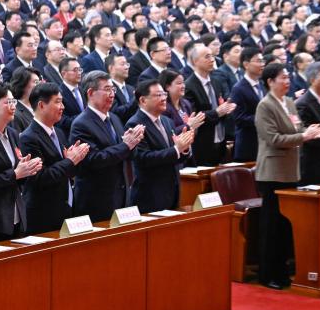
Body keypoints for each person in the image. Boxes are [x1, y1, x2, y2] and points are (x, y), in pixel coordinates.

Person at [254, 62, 320, 289]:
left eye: (288, 77)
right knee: (272, 226)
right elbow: (273, 139)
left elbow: (298, 129)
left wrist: (308, 133)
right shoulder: (265, 106)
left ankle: (283, 272)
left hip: (290, 170)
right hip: (273, 172)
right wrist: (305, 136)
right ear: (270, 82)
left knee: (285, 225)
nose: (287, 81)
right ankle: (268, 275)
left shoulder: (289, 103)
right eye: (282, 78)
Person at [0, 82, 42, 241]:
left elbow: (18, 174)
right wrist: (16, 174)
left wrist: (28, 168)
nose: (12, 106)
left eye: (13, 102)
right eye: (7, 102)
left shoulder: (13, 134)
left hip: (17, 210)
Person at [70, 70, 142, 222]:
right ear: (90, 93)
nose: (112, 94)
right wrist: (126, 145)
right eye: (107, 90)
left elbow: (125, 152)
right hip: (96, 201)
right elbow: (94, 160)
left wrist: (134, 142)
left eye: (113, 90)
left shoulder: (114, 118)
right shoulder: (81, 124)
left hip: (120, 196)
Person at [19, 82, 89, 234]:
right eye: (57, 101)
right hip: (43, 214)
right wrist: (70, 161)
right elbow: (40, 177)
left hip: (66, 208)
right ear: (41, 105)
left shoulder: (59, 132)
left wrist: (76, 159)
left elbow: (68, 170)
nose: (62, 106)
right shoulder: (28, 137)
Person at [129, 79, 194, 212]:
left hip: (172, 190)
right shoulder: (135, 124)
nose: (164, 98)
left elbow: (175, 156)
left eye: (164, 94)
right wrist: (176, 149)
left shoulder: (167, 121)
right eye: (158, 95)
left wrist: (184, 149)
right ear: (142, 100)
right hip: (151, 194)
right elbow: (143, 158)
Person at [184, 44, 236, 165]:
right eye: (207, 57)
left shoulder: (216, 81)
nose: (212, 59)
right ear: (195, 61)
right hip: (202, 144)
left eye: (212, 56)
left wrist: (227, 109)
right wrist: (217, 112)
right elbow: (194, 116)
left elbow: (221, 105)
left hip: (221, 140)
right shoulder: (189, 86)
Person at [229, 46, 266, 161]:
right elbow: (239, 118)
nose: (262, 64)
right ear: (246, 64)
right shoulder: (238, 88)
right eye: (258, 61)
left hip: (263, 143)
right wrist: (264, 119)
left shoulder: (262, 85)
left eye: (263, 60)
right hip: (248, 145)